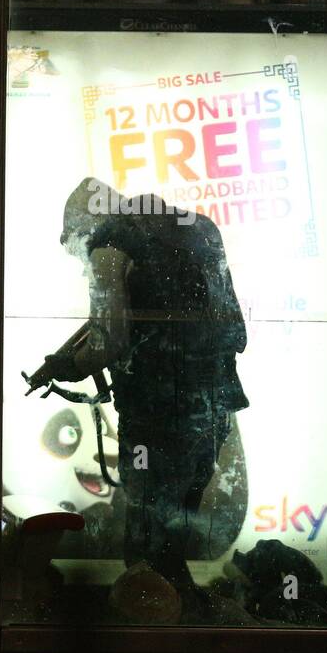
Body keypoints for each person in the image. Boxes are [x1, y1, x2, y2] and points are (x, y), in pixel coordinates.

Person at [30, 177, 249, 606]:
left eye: (76, 248)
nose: (81, 262)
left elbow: (107, 341)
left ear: (87, 226)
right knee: (175, 529)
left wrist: (66, 368)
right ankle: (184, 618)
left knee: (145, 537)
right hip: (215, 404)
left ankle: (149, 635)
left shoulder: (109, 246)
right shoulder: (198, 228)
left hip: (156, 410)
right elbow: (234, 327)